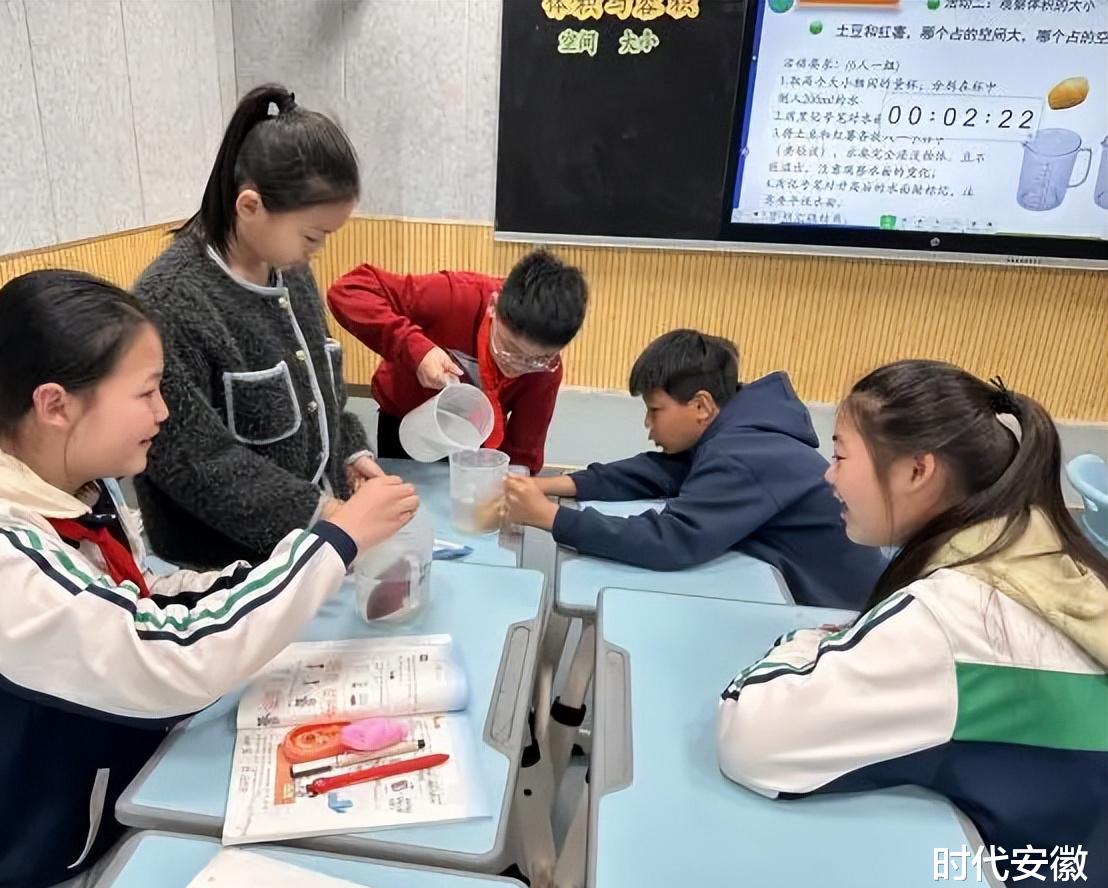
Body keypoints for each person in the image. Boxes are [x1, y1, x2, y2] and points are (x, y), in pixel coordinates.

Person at [0, 270, 418, 888]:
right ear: (55, 405)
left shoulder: (62, 485)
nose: (164, 411)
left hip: (85, 802)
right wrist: (334, 542)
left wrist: (294, 570)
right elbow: (167, 655)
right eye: (145, 392)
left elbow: (139, 598)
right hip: (24, 867)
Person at [717, 360, 1108, 888]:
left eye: (840, 455)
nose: (829, 476)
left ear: (918, 470)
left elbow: (753, 741)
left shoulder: (951, 617)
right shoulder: (1038, 546)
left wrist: (806, 642)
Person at [133, 83, 380, 569]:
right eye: (313, 235)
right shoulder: (170, 301)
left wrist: (352, 454)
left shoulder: (288, 269)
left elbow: (322, 395)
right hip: (222, 571)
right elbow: (194, 462)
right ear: (250, 207)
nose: (317, 251)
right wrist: (326, 514)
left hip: (306, 548)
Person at [505, 329, 884, 608]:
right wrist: (550, 485)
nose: (648, 425)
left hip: (840, 609)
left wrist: (550, 517)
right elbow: (661, 472)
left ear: (701, 406)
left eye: (655, 410)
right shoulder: (738, 429)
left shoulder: (745, 455)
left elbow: (672, 541)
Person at [326, 249, 588, 474]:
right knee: (404, 489)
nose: (518, 365)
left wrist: (512, 486)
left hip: (473, 434)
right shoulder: (456, 297)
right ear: (493, 307)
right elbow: (349, 290)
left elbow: (523, 455)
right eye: (510, 349)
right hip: (408, 418)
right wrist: (415, 348)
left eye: (536, 359)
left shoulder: (546, 371)